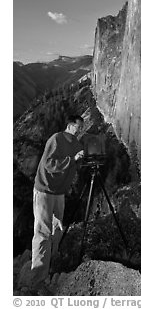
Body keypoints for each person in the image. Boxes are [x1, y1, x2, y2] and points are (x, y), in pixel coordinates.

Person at [30, 115, 85, 294]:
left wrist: (85, 158)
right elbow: (48, 164)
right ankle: (37, 279)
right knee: (42, 233)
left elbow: (77, 163)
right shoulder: (56, 139)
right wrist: (72, 159)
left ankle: (51, 265)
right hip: (45, 190)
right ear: (70, 125)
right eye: (79, 126)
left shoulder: (76, 143)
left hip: (59, 193)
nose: (81, 129)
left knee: (57, 229)